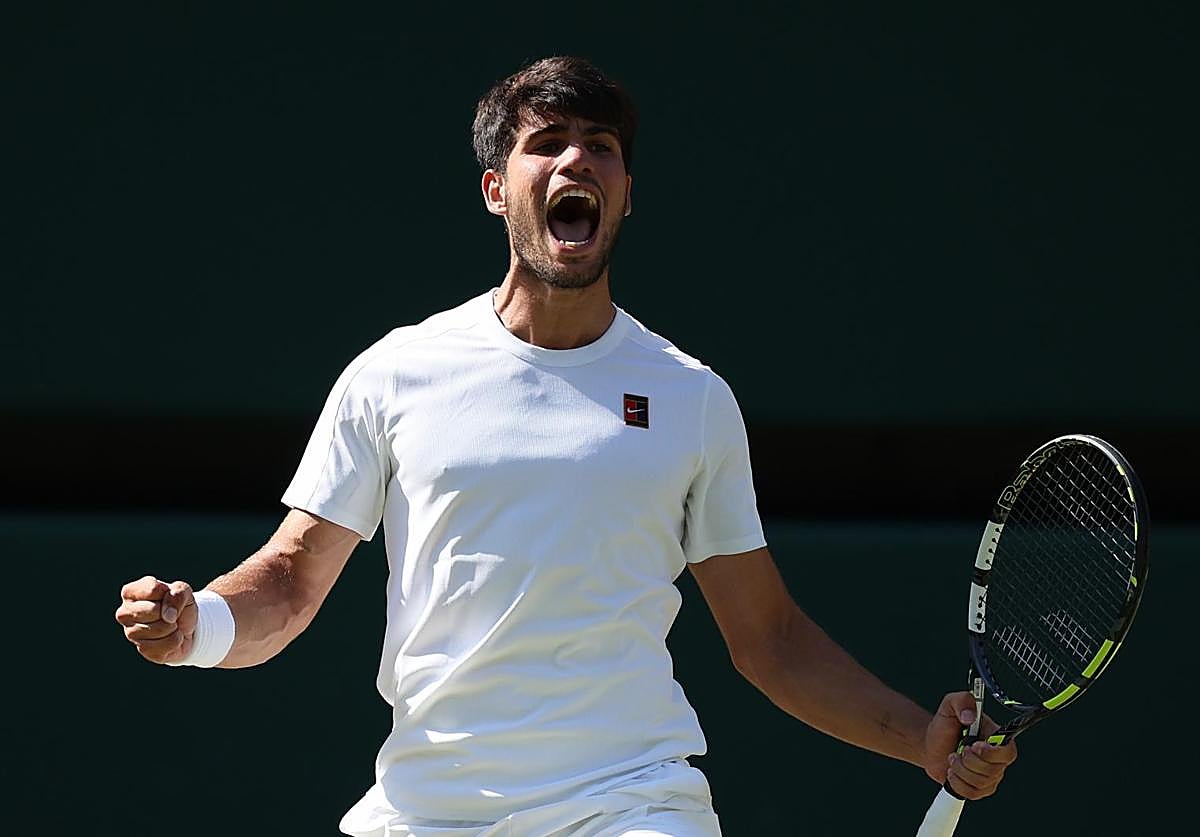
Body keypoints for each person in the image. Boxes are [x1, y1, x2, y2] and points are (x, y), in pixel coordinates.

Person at [115, 56, 1016, 836]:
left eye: (601, 146)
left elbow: (770, 639)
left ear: (625, 193)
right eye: (547, 142)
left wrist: (920, 737)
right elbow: (289, 580)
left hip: (629, 802)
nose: (576, 158)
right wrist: (202, 625)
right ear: (497, 188)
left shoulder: (693, 399)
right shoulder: (394, 374)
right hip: (430, 805)